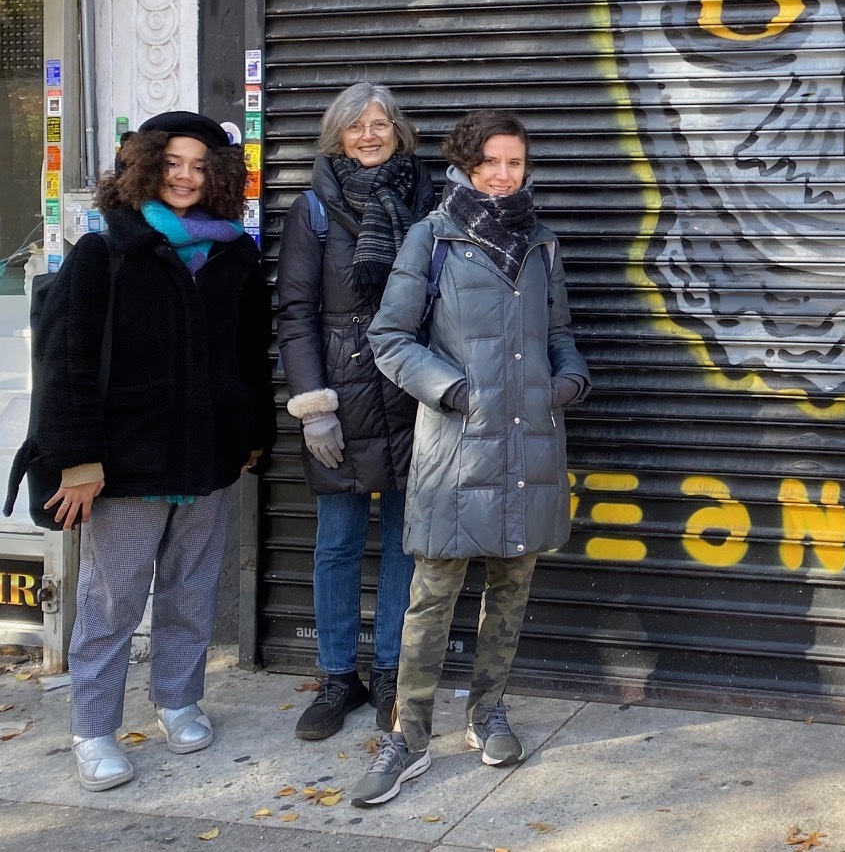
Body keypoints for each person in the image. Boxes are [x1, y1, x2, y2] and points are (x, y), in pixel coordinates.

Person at [351, 109, 589, 807]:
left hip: (531, 442)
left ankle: (487, 714)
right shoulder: (433, 237)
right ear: (466, 162)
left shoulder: (541, 243)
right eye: (493, 162)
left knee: (511, 589)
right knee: (432, 594)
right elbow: (389, 338)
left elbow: (562, 331)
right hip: (457, 445)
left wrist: (567, 380)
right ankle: (408, 738)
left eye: (516, 163)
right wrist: (452, 390)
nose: (506, 174)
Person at [32, 111, 272, 791]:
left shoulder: (235, 256)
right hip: (125, 466)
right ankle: (93, 729)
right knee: (111, 603)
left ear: (219, 175)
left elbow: (250, 356)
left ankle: (177, 698)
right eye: (172, 163)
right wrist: (77, 463)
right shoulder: (105, 253)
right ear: (146, 167)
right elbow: (67, 363)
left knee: (190, 591)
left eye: (201, 165)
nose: (187, 176)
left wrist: (253, 434)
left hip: (209, 459)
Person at [277, 83, 435, 740]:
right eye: (354, 126)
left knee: (406, 542)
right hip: (341, 399)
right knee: (337, 545)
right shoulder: (314, 211)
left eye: (380, 123)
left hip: (412, 394)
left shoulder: (430, 201)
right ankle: (338, 677)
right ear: (336, 136)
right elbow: (295, 314)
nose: (369, 135)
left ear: (398, 131)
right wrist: (314, 408)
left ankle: (393, 672)